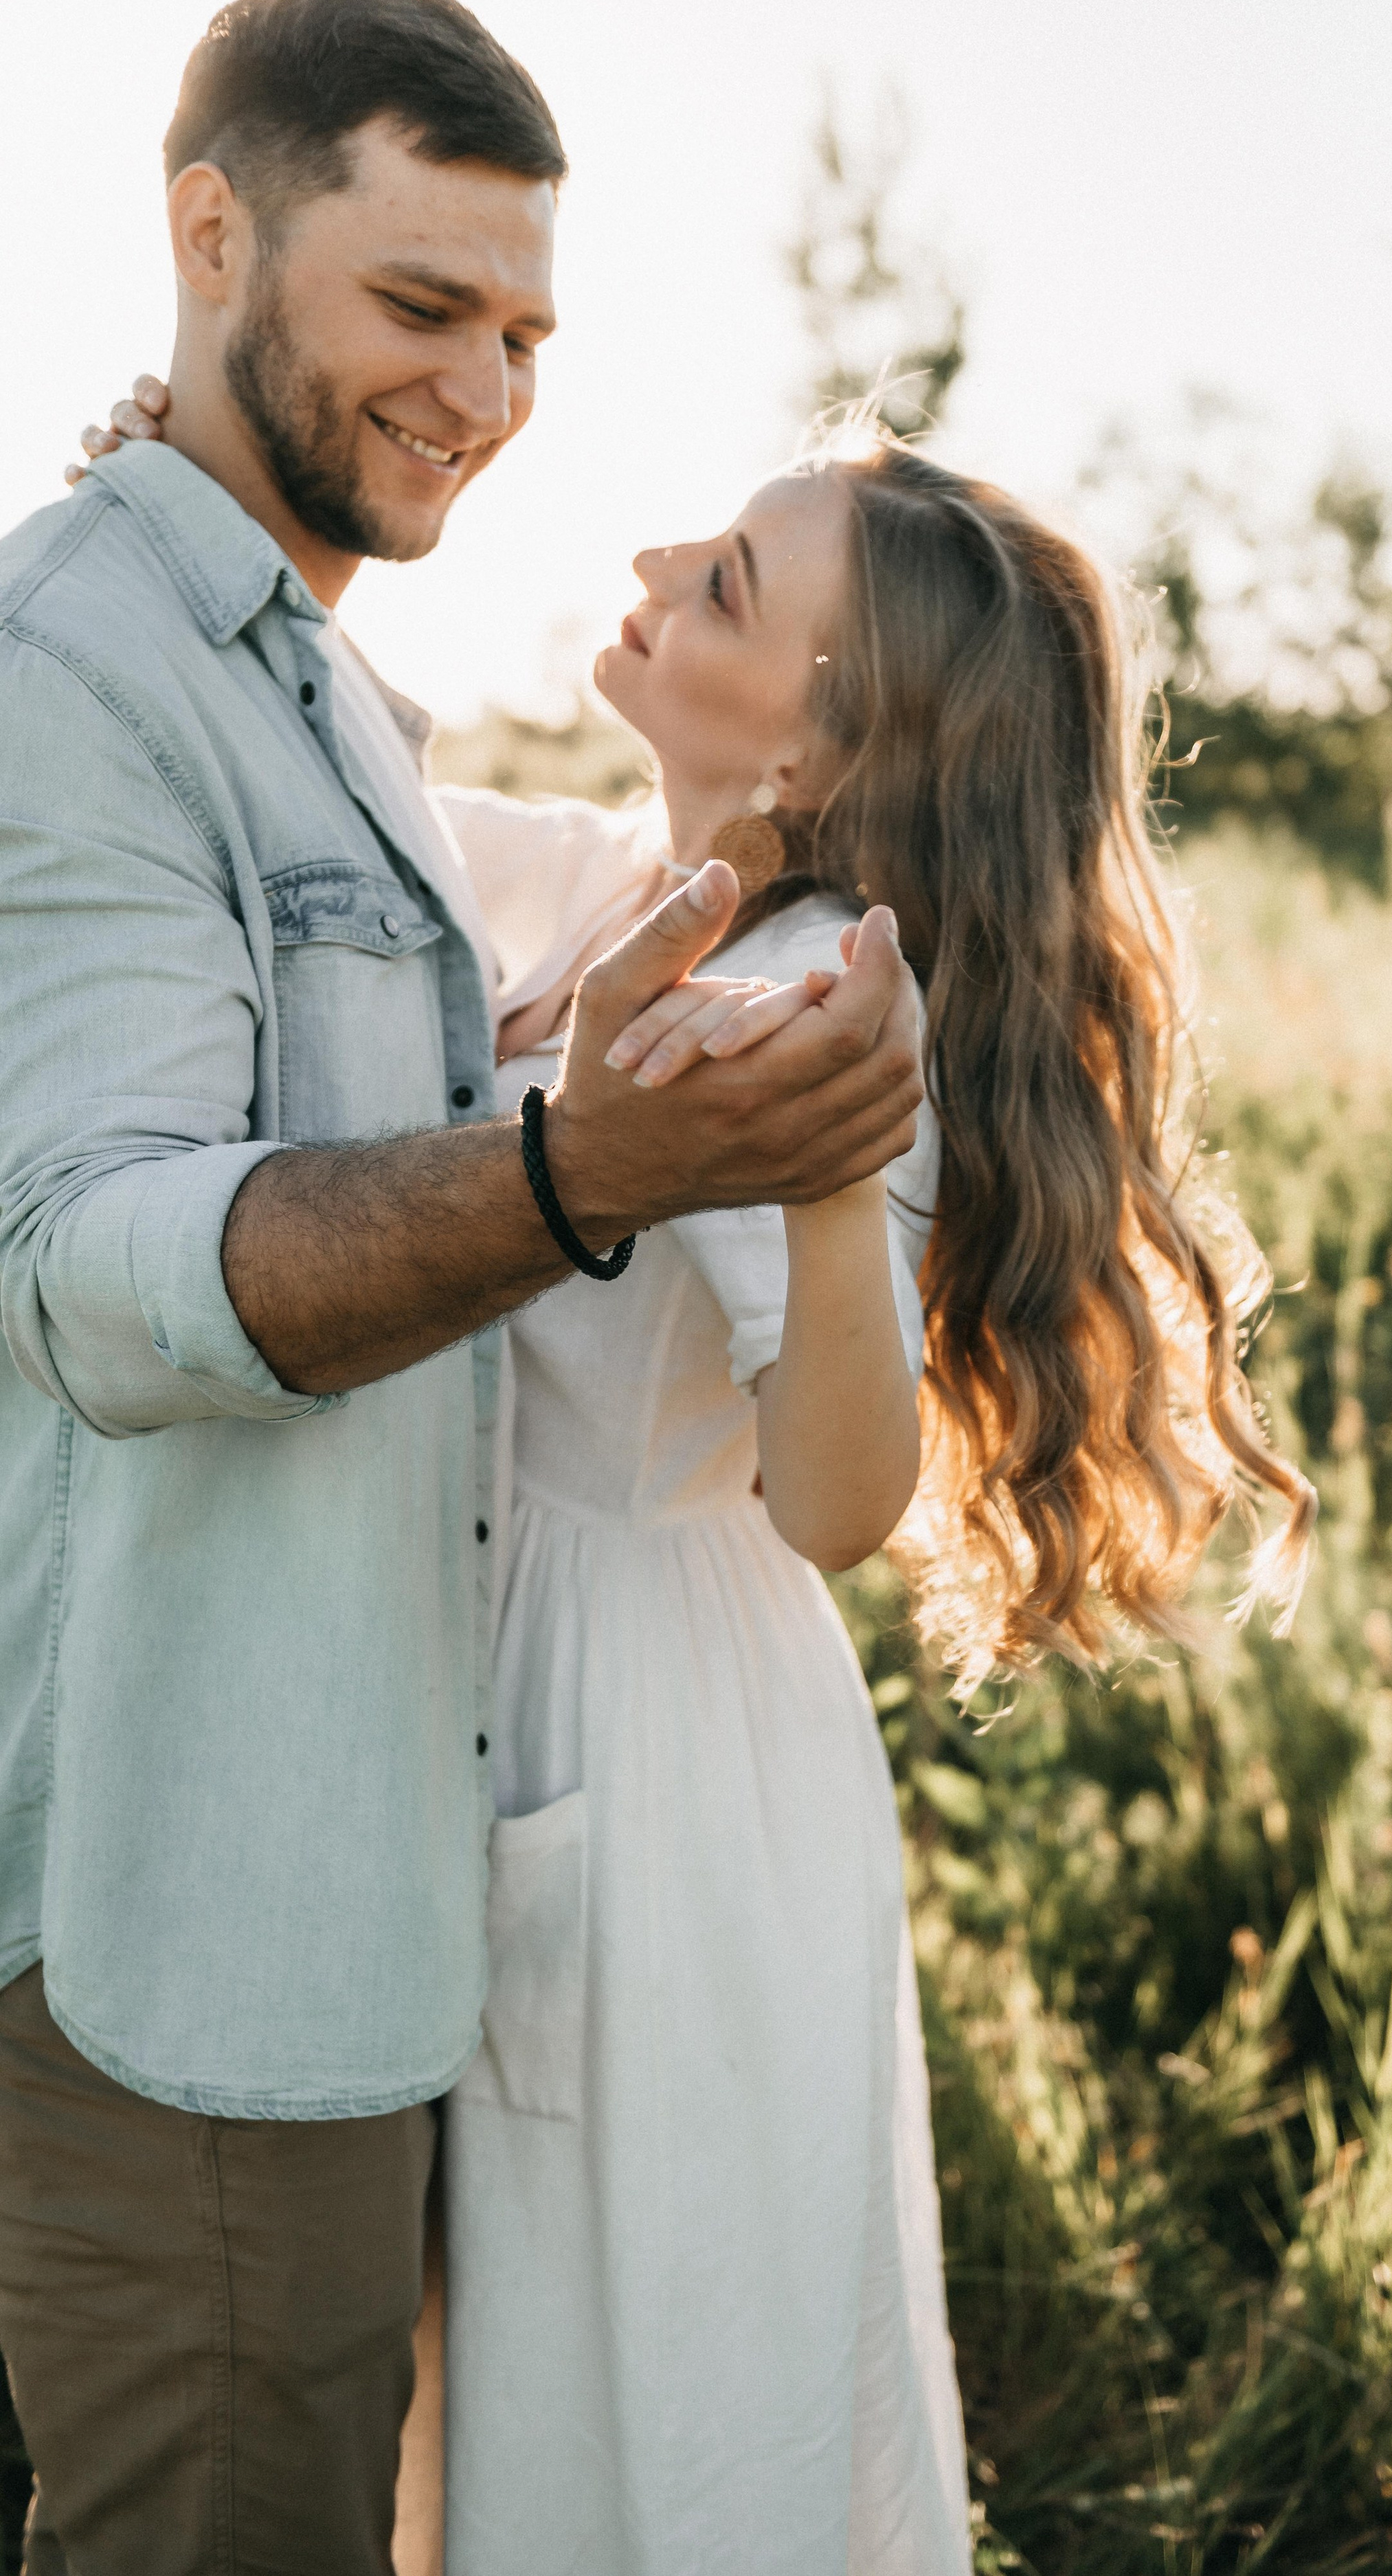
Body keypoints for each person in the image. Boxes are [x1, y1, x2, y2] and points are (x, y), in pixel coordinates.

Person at [93, 383, 1316, 2568]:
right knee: (506, 2369)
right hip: (519, 1679)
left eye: (730, 581)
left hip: (641, 1742)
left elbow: (837, 1499)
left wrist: (830, 1190)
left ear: (822, 755)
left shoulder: (795, 1003)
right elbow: (343, 811)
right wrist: (201, 543)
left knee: (635, 2379)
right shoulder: (624, 889)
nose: (658, 567)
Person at [0, 0, 920, 2576]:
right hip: (200, 1892)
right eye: (425, 306)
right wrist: (572, 1170)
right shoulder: (90, 671)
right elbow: (89, 1265)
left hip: (410, 1853)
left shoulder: (311, 693)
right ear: (209, 235)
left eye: (528, 332)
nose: (492, 393)